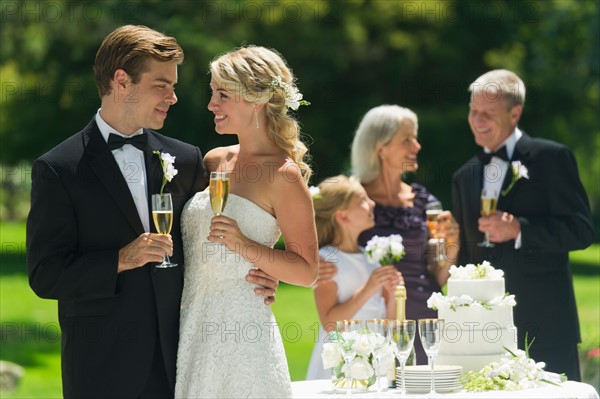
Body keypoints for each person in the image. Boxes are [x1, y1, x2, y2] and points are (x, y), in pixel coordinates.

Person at [26, 25, 277, 398]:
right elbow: (45, 275)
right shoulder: (59, 169)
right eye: (162, 85)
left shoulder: (187, 159)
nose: (173, 98)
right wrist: (121, 259)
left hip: (179, 362)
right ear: (122, 81)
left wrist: (256, 274)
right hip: (100, 367)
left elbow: (204, 245)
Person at [175, 45, 319, 398]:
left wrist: (247, 247)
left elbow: (306, 270)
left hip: (243, 335)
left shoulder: (282, 175)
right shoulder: (212, 161)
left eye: (222, 94)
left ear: (255, 99)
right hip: (190, 327)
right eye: (212, 93)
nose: (211, 104)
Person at [452, 69, 594, 381]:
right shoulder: (464, 176)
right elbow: (466, 256)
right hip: (484, 332)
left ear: (515, 113)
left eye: (488, 113)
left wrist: (521, 229)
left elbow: (582, 230)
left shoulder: (552, 158)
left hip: (547, 324)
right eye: (473, 111)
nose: (477, 120)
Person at [351, 104, 459, 364]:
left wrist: (452, 246)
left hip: (426, 318)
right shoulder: (352, 199)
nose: (417, 146)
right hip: (372, 321)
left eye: (416, 138)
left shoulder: (426, 202)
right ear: (381, 148)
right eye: (407, 140)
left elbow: (439, 273)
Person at [305, 175, 403, 380]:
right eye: (362, 200)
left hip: (375, 356)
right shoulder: (327, 261)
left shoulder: (371, 258)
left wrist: (394, 294)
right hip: (342, 360)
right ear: (343, 216)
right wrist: (368, 289)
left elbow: (389, 320)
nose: (372, 203)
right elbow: (330, 325)